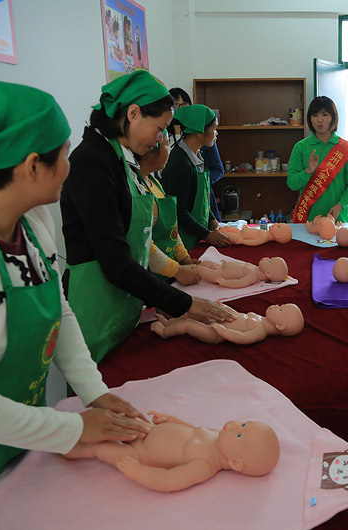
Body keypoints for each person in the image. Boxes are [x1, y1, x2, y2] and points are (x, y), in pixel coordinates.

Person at [0, 82, 149, 530]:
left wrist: (93, 391)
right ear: (31, 167)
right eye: (63, 155)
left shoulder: (33, 221)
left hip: (20, 437)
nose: (69, 166)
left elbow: (57, 310)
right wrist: (75, 430)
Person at [61, 71, 233, 364]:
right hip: (96, 307)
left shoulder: (120, 155)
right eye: (159, 129)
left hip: (124, 303)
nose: (159, 140)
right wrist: (182, 303)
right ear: (133, 113)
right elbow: (115, 260)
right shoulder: (92, 162)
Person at [64, 411, 280, 492]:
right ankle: (76, 426)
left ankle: (75, 448)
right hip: (147, 430)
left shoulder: (204, 465)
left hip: (140, 455)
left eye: (240, 435)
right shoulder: (217, 436)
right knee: (118, 420)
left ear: (235, 463)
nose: (234, 426)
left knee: (101, 449)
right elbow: (192, 429)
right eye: (243, 424)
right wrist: (172, 420)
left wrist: (138, 471)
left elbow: (169, 480)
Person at [163, 104, 232, 250]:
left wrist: (212, 219)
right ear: (200, 131)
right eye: (214, 129)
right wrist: (207, 235)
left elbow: (200, 201)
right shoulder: (179, 163)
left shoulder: (195, 155)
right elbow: (179, 212)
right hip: (183, 244)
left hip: (196, 236)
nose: (216, 134)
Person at [135, 131, 200, 286]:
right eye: (166, 145)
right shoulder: (137, 189)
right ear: (150, 153)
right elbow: (144, 243)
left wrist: (184, 259)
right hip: (151, 276)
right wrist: (176, 270)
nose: (170, 152)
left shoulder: (154, 182)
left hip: (168, 271)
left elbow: (172, 229)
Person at [287, 96, 348, 223]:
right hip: (307, 220)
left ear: (333, 117)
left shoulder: (345, 148)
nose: (319, 120)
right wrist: (308, 171)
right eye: (315, 115)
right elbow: (292, 184)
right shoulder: (300, 147)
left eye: (325, 115)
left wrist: (340, 205)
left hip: (338, 219)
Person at [169, 88, 226, 222]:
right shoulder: (178, 156)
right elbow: (181, 212)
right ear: (200, 132)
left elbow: (218, 169)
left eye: (182, 105)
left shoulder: (201, 147)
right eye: (174, 105)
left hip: (204, 207)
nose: (178, 109)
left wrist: (200, 184)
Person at [151, 304, 305, 345]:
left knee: (189, 324)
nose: (276, 305)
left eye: (280, 309)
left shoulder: (260, 330)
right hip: (218, 321)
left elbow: (242, 337)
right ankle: (170, 323)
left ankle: (165, 332)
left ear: (280, 326)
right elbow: (238, 317)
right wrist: (226, 309)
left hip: (216, 335)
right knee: (195, 314)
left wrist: (223, 332)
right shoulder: (260, 318)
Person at [194, 256, 289, 287]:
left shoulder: (254, 276)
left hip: (220, 274)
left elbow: (239, 283)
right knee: (204, 263)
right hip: (221, 266)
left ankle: (191, 271)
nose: (266, 258)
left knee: (200, 270)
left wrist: (225, 282)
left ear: (268, 274)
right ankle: (190, 266)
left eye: (269, 261)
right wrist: (227, 264)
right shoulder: (256, 268)